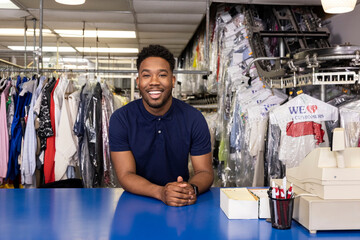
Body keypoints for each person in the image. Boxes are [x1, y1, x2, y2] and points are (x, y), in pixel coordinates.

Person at [109, 45, 214, 207]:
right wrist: (161, 192)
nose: (154, 82)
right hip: (136, 202)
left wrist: (190, 189)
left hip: (180, 202)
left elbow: (204, 172)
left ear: (172, 81)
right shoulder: (121, 119)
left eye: (162, 75)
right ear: (138, 82)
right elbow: (126, 174)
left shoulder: (194, 118)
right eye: (146, 75)